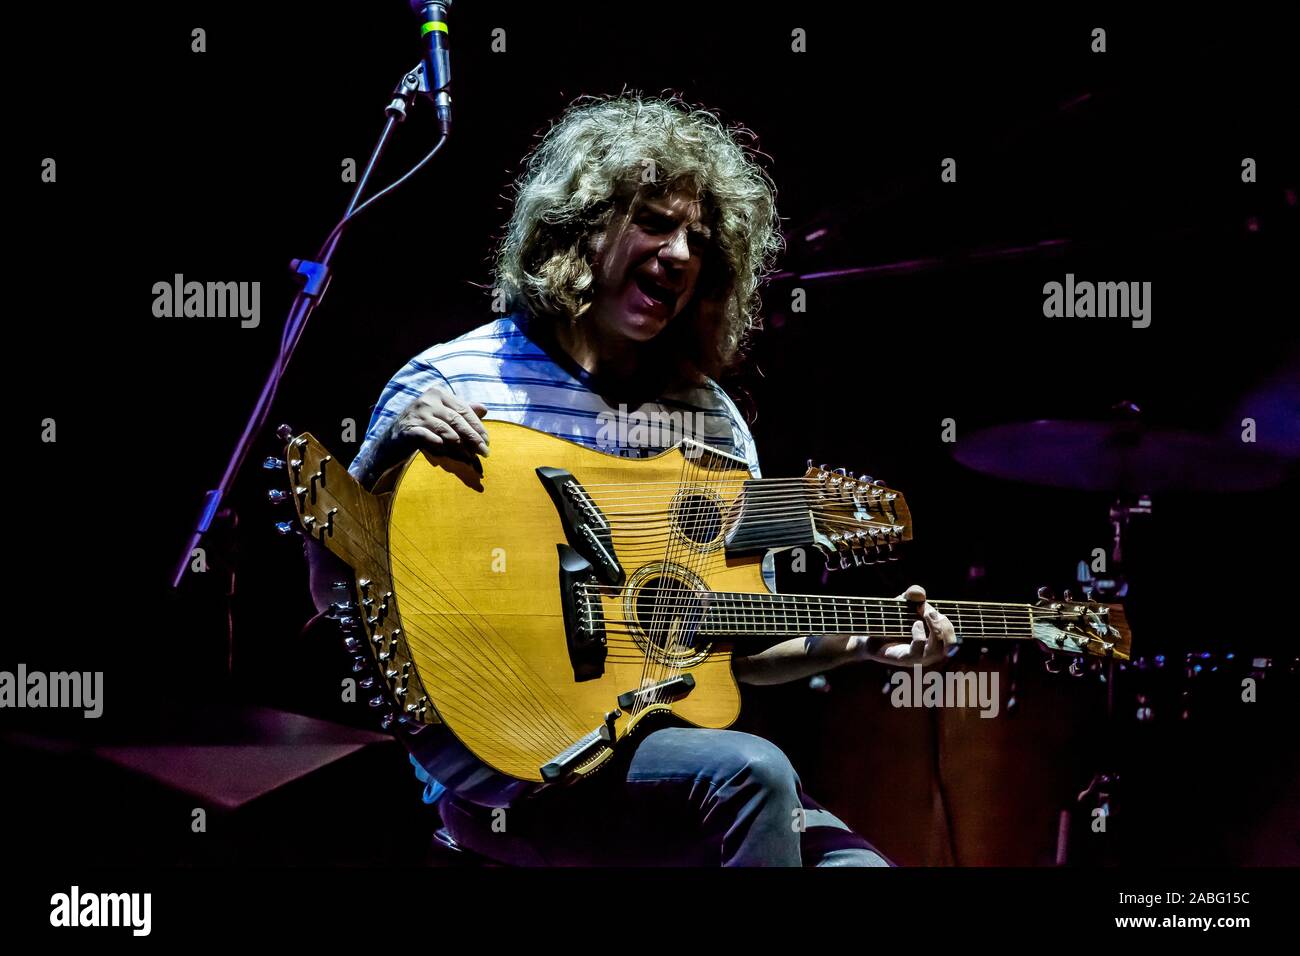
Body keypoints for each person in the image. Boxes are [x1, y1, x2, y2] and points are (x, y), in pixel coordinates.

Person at [309, 94, 955, 866]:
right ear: (582, 229)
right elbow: (332, 595)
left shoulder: (709, 422)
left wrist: (856, 644)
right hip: (512, 779)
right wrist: (381, 452)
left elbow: (732, 645)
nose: (680, 253)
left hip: (670, 766)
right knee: (756, 776)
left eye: (699, 239)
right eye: (653, 221)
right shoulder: (456, 376)